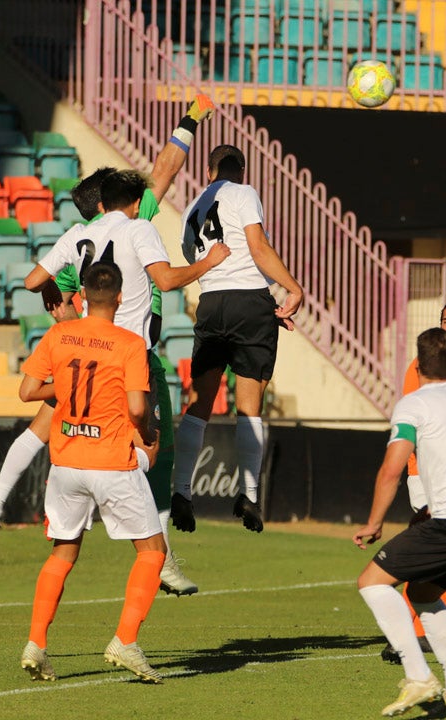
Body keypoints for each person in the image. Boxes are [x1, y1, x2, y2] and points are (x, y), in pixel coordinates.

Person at [0, 94, 217, 597]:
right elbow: (165, 170)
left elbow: (47, 289)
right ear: (112, 202)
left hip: (82, 352)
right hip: (129, 357)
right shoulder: (135, 223)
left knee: (41, 428)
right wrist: (191, 119)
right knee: (155, 448)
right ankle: (159, 555)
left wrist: (58, 304)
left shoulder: (78, 241)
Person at [17, 261, 167, 684]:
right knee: (153, 551)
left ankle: (36, 643)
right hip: (110, 461)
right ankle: (125, 640)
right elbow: (136, 407)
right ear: (119, 298)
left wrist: (64, 388)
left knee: (63, 553)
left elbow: (27, 391)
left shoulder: (59, 335)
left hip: (66, 461)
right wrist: (147, 432)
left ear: (81, 296)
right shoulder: (129, 343)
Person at [353, 328, 446, 717]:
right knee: (421, 592)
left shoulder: (414, 404)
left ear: (417, 365)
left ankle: (418, 676)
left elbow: (392, 469)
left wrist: (374, 523)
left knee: (372, 582)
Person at [169, 144, 304, 534]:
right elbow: (258, 249)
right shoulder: (243, 192)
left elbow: (200, 262)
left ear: (208, 171)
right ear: (241, 170)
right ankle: (249, 495)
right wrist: (293, 288)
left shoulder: (191, 210)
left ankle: (182, 492)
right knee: (249, 406)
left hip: (211, 303)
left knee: (199, 404)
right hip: (250, 302)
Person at [382, 297, 446, 665]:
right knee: (438, 551)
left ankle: (438, 630)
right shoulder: (427, 365)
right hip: (428, 470)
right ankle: (409, 634)